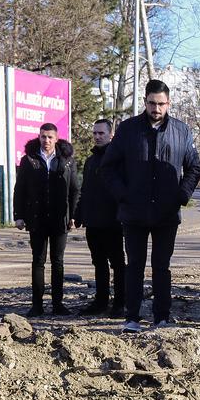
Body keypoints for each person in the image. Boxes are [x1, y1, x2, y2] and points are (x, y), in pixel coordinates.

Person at [100, 79, 200, 332]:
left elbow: (193, 167)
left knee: (161, 266)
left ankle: (162, 317)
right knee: (134, 265)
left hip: (166, 213)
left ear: (168, 103)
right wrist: (122, 194)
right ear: (145, 101)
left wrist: (182, 195)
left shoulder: (181, 131)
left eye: (161, 104)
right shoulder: (128, 129)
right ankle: (132, 317)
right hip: (133, 212)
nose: (156, 108)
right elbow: (108, 167)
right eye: (152, 103)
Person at [13, 122, 81, 316]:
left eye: (50, 137)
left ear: (56, 138)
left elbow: (74, 190)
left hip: (60, 219)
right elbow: (20, 190)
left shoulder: (67, 161)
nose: (46, 141)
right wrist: (19, 216)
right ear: (39, 137)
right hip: (37, 218)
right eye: (43, 136)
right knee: (38, 260)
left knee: (58, 261)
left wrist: (73, 216)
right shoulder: (30, 159)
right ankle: (37, 305)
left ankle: (58, 304)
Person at [74, 118, 126, 316]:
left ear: (111, 135)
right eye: (94, 133)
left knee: (118, 264)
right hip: (93, 222)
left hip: (114, 222)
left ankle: (120, 303)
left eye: (101, 133)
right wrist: (78, 215)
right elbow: (85, 191)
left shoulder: (119, 160)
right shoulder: (90, 161)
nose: (97, 136)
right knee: (98, 263)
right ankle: (101, 301)